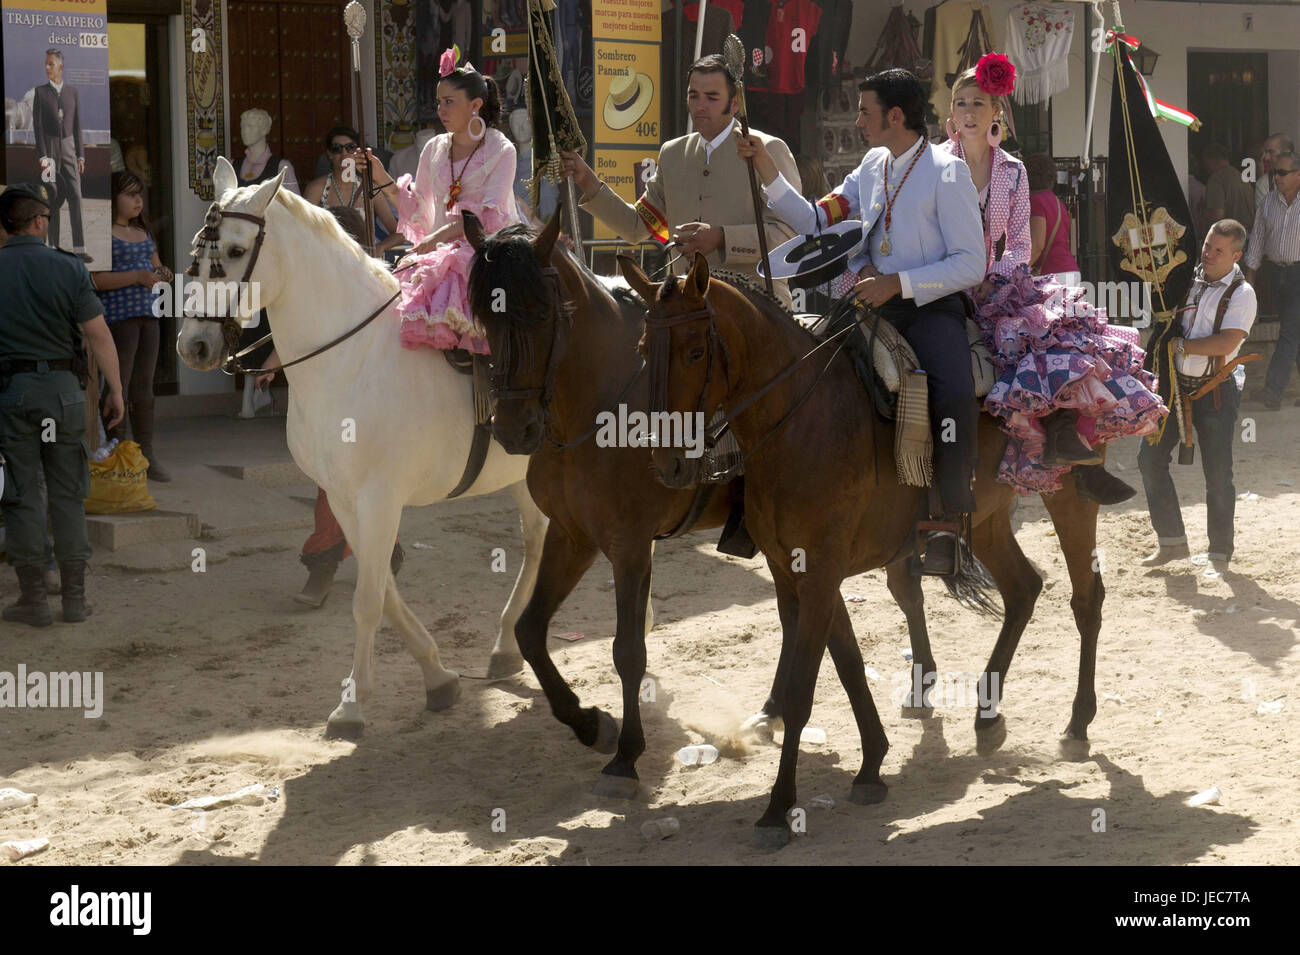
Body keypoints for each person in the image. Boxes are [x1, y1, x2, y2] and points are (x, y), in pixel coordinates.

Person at [738, 67, 983, 575]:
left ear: (896, 116)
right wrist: (765, 167)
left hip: (929, 309)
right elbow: (814, 220)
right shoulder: (872, 164)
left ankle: (949, 521)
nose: (857, 119)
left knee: (954, 389)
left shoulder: (948, 171)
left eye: (865, 110)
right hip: (868, 304)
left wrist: (897, 283)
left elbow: (970, 263)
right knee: (793, 371)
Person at [938, 60, 1164, 503]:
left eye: (977, 103)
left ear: (995, 112)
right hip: (943, 283)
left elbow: (1020, 245)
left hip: (998, 285)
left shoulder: (1013, 171)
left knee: (1064, 334)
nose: (968, 111)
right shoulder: (935, 165)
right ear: (950, 114)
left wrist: (994, 278)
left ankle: (1073, 450)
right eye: (960, 103)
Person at [562, 54, 802, 309]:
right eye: (693, 95)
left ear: (734, 105)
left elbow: (789, 235)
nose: (700, 106)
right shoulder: (672, 154)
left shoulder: (768, 149)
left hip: (756, 312)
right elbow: (637, 226)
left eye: (711, 97)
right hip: (688, 317)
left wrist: (723, 238)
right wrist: (587, 180)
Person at [0, 183, 124, 626]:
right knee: (68, 494)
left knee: (22, 495)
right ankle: (74, 599)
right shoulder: (68, 269)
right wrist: (116, 389)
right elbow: (98, 335)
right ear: (38, 221)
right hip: (65, 395)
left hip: (13, 396)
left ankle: (33, 599)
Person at [362, 50, 521, 352]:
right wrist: (380, 177)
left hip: (486, 253)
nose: (441, 110)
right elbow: (418, 208)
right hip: (439, 254)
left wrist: (437, 238)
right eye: (439, 102)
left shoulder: (502, 150)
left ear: (475, 106)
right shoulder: (434, 148)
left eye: (450, 102)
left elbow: (486, 219)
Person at [1138, 221, 1256, 570]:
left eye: (1218, 250)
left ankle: (1220, 552)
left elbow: (1226, 342)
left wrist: (1181, 345)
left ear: (1235, 255)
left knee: (1218, 474)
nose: (1208, 253)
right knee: (1149, 459)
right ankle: (1172, 542)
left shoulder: (1242, 293)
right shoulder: (1187, 277)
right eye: (1207, 245)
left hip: (1216, 390)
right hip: (1175, 387)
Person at [89, 172, 175, 482]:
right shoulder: (104, 233)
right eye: (129, 194)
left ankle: (145, 453)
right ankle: (117, 451)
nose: (137, 200)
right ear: (113, 200)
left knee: (144, 386)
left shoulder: (144, 232)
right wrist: (137, 277)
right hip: (117, 320)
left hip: (149, 317)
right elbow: (96, 279)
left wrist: (162, 273)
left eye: (140, 194)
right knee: (118, 386)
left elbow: (158, 268)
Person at [1243, 150, 1300, 410]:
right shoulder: (1267, 202)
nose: (1276, 177)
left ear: (1298, 174)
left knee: (1289, 332)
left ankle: (1272, 391)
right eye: (1274, 172)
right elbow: (1256, 240)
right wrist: (1249, 281)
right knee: (1295, 332)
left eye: (1282, 172)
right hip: (1276, 273)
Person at [304, 126, 402, 253]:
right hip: (328, 262)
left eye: (350, 147)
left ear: (358, 152)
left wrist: (380, 247)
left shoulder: (369, 187)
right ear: (329, 153)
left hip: (363, 263)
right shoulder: (317, 188)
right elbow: (302, 229)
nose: (344, 153)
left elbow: (399, 233)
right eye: (337, 148)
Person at [32, 49, 90, 261]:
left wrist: (81, 156)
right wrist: (43, 157)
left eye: (50, 64)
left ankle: (80, 248)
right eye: (45, 64)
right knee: (52, 196)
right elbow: (37, 127)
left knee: (75, 195)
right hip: (49, 148)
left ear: (60, 67)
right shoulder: (40, 92)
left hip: (69, 149)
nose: (47, 68)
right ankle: (53, 246)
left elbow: (77, 126)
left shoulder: (72, 92)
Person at [1024, 153, 1080, 286]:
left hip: (1052, 275)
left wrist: (1013, 272)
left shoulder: (1036, 201)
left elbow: (1037, 246)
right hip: (1070, 270)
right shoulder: (1057, 202)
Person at [1202, 142, 1255, 232]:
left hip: (1230, 237)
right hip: (1248, 235)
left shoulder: (1216, 179)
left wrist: (1204, 212)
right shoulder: (1241, 176)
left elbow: (1217, 216)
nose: (1204, 168)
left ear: (1210, 160)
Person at [1254, 134, 1294, 213]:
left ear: (1286, 152)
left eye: (1271, 152)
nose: (1266, 157)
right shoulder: (1264, 183)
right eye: (1265, 152)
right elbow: (1262, 219)